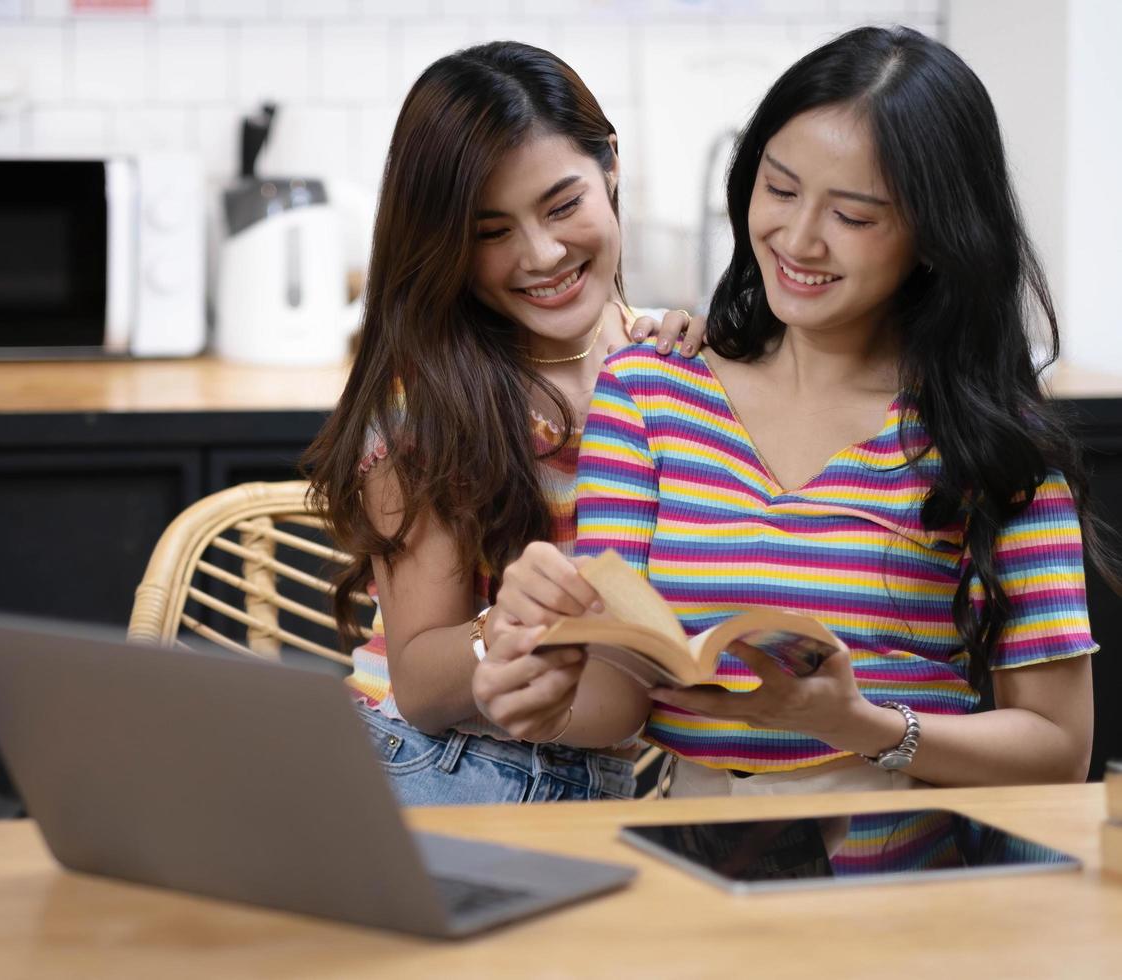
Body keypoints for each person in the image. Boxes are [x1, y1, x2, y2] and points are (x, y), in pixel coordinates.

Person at [473, 25, 1110, 796]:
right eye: (778, 189)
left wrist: (860, 724)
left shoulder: (989, 439)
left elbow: (1057, 749)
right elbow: (613, 701)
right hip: (694, 857)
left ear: (935, 238)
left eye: (854, 216)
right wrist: (531, 688)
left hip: (910, 879)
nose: (798, 240)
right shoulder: (648, 390)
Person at [303, 41, 706, 806]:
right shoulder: (430, 399)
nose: (542, 253)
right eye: (491, 233)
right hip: (433, 760)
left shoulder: (678, 362)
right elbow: (421, 683)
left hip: (595, 778)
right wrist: (505, 625)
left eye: (563, 205)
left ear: (610, 165)